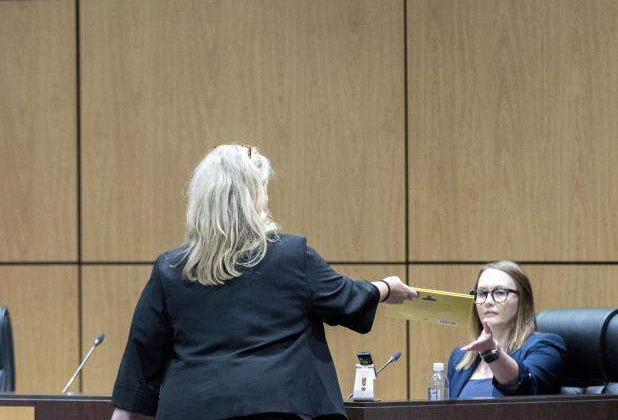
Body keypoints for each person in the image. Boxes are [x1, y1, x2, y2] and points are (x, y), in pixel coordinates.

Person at [110, 143, 417, 420]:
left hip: (192, 409)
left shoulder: (172, 267)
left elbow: (142, 350)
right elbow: (344, 298)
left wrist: (123, 413)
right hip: (276, 408)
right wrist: (386, 287)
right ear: (252, 197)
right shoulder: (291, 255)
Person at [447, 260, 567, 399]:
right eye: (482, 293)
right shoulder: (459, 358)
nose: (488, 301)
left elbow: (525, 388)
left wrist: (492, 352)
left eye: (499, 292)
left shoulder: (546, 346)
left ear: (524, 301)